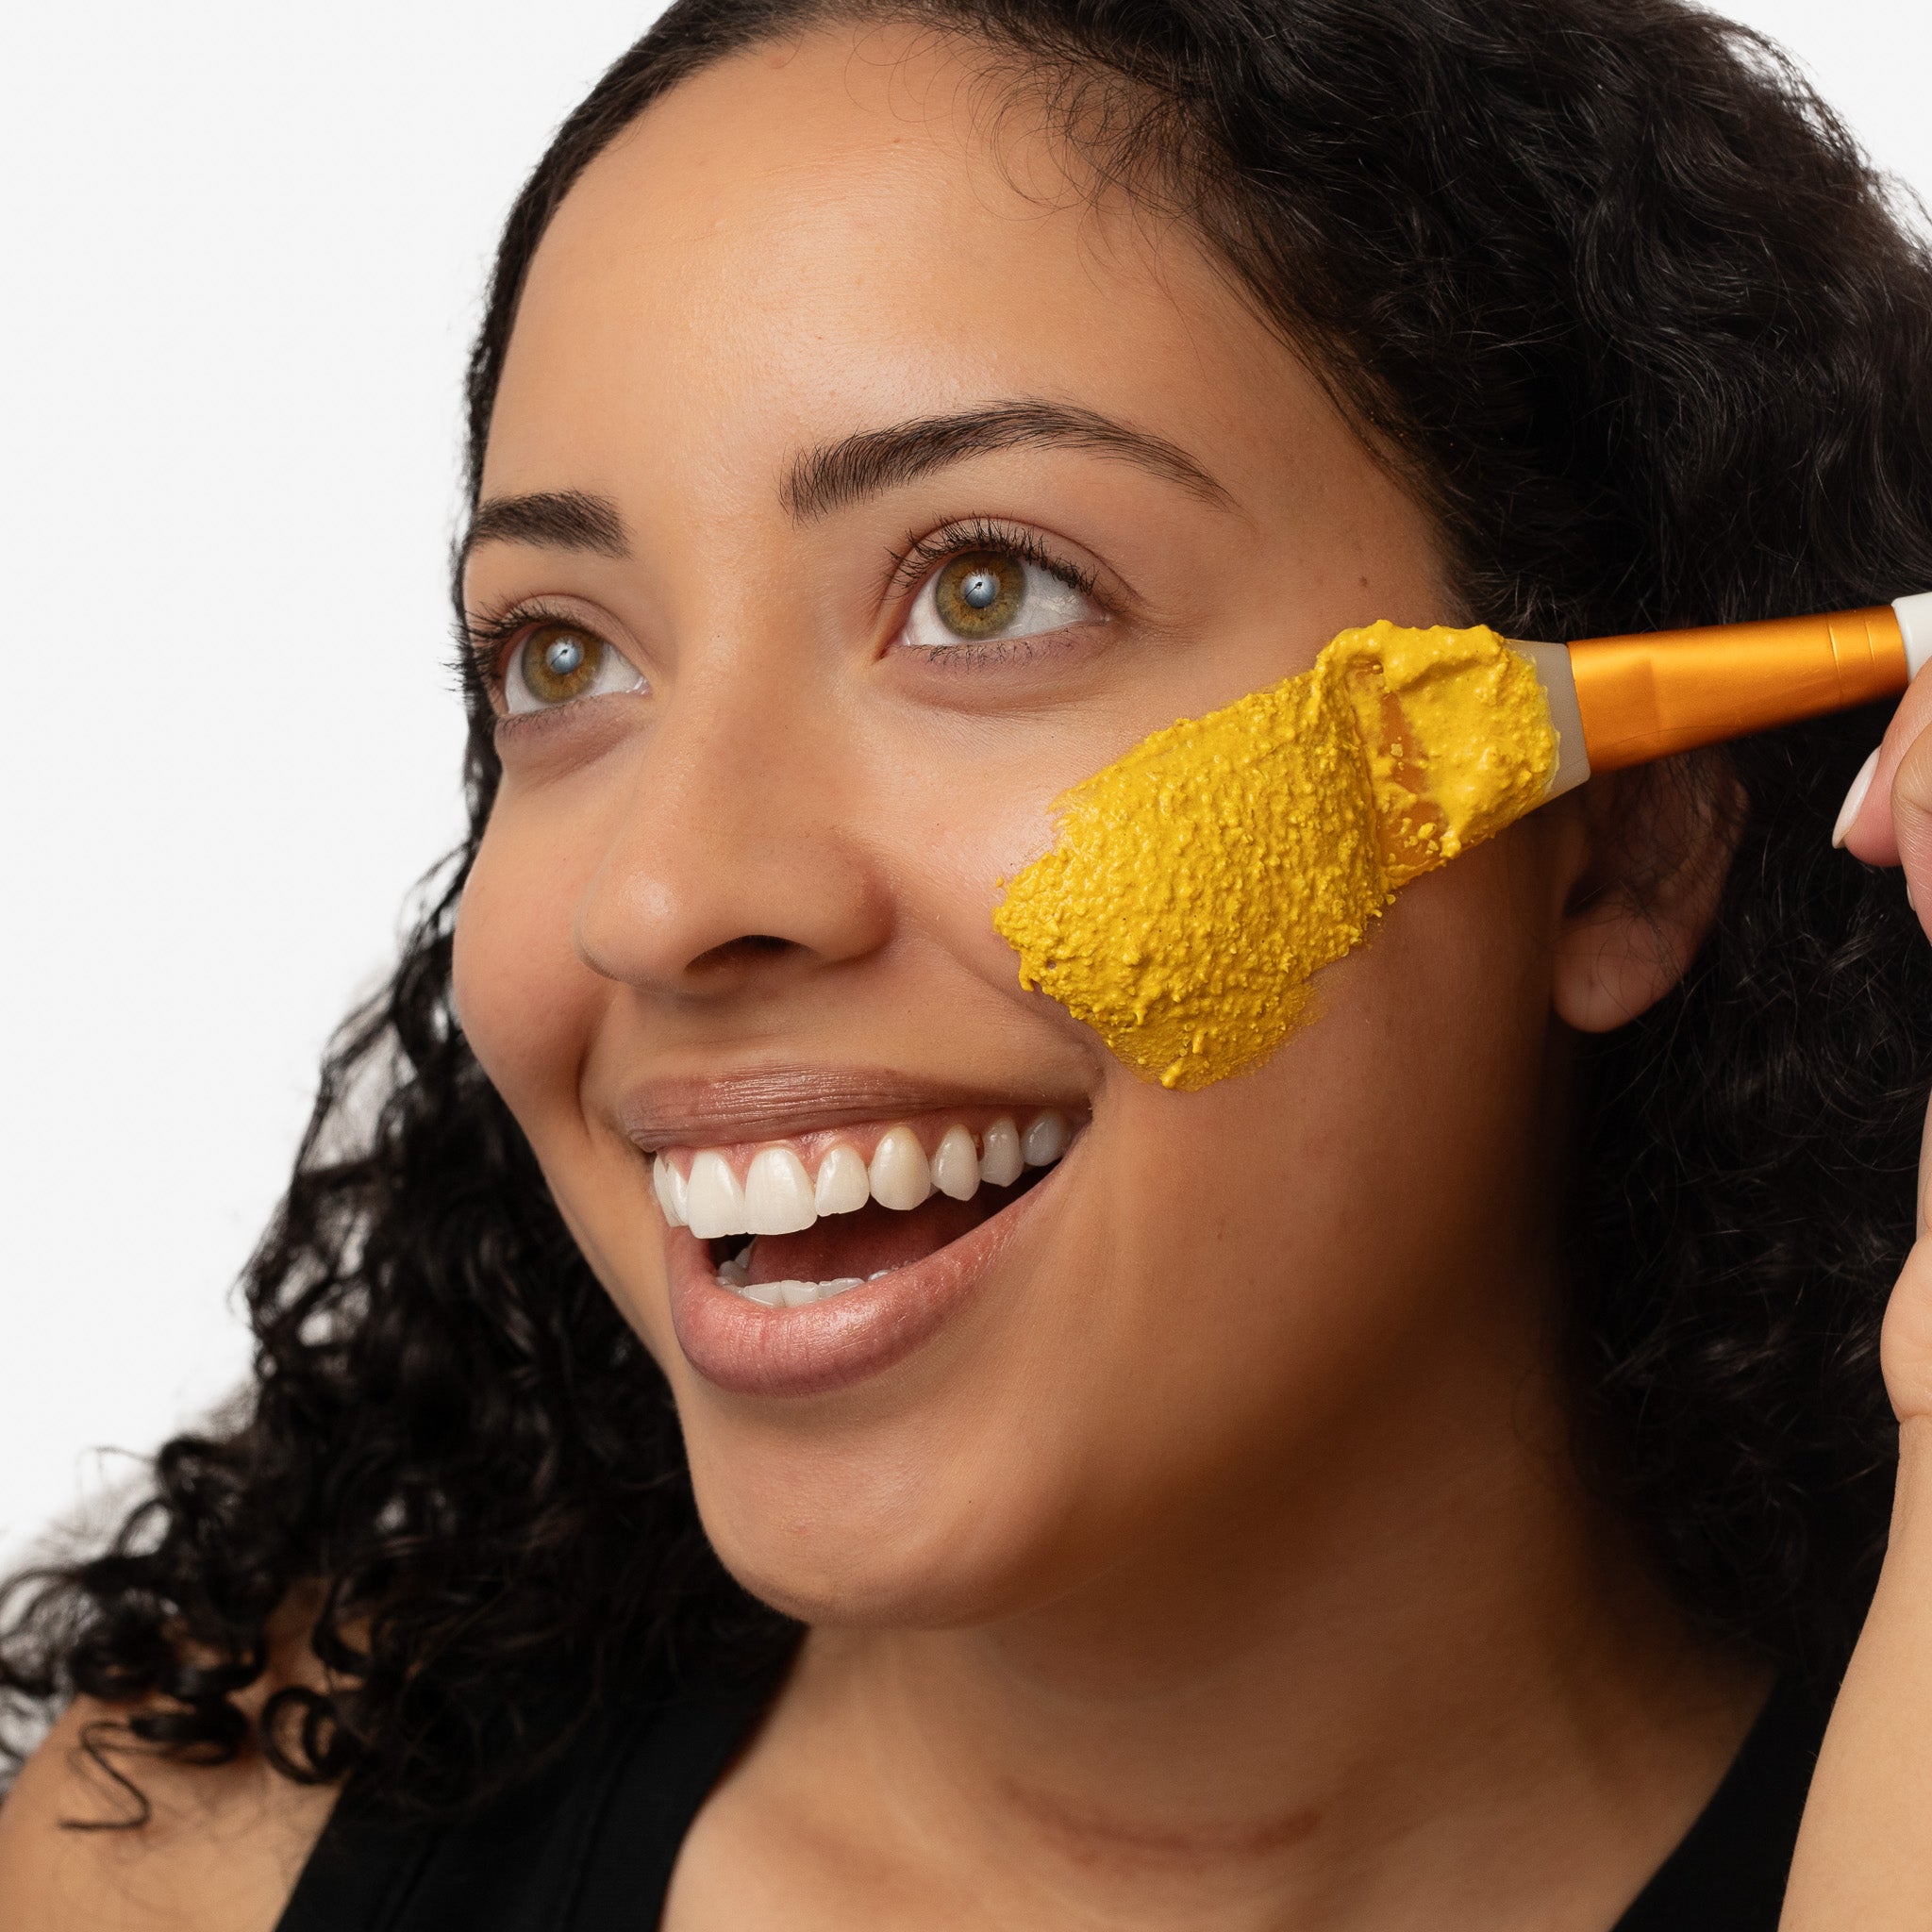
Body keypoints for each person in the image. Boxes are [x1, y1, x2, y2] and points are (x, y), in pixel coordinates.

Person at [7, 0, 1932, 1924]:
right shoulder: (190, 1858)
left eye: (987, 587)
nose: (661, 896)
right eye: (562, 655)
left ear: (1620, 850)